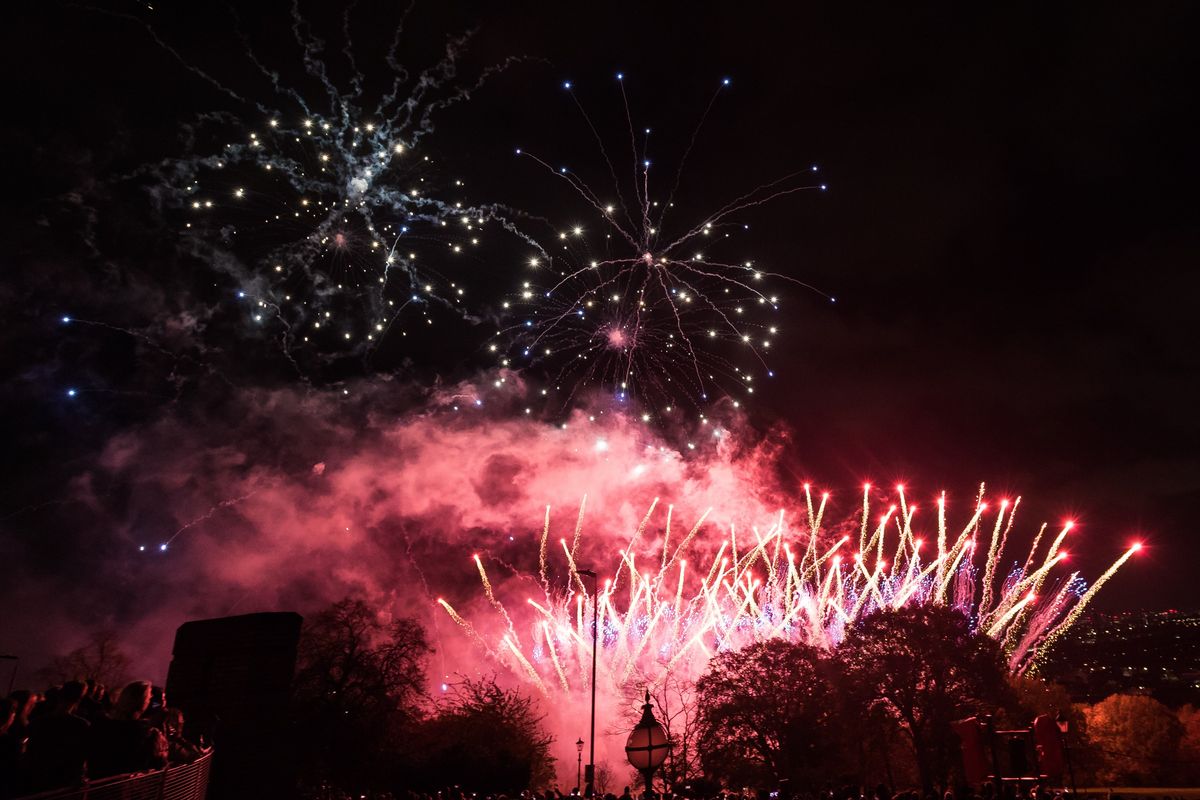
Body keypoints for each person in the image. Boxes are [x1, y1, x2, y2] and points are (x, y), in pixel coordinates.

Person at [88, 681, 167, 778]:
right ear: (143, 702)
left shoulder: (101, 726)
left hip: (97, 785)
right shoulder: (147, 733)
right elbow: (160, 763)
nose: (150, 700)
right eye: (149, 698)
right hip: (128, 789)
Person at [24, 681, 91, 791]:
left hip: (35, 777)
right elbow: (79, 757)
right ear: (79, 699)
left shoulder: (38, 721)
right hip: (63, 780)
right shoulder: (81, 726)